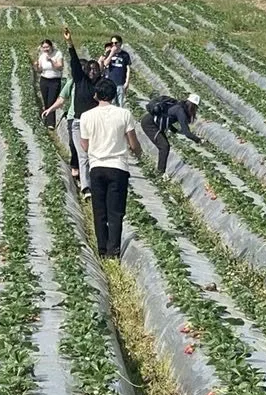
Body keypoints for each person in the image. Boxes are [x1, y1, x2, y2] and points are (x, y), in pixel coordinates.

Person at [79, 79, 141, 260]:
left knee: (99, 210)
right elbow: (133, 142)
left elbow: (84, 145)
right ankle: (113, 251)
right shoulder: (124, 114)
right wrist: (138, 153)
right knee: (115, 211)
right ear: (114, 95)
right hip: (118, 167)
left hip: (96, 167)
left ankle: (102, 249)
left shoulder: (86, 116)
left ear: (96, 95)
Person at [46, 25, 101, 197]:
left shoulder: (101, 85)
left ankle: (95, 181)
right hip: (78, 123)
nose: (92, 71)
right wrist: (69, 42)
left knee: (95, 154)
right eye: (90, 69)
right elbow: (75, 62)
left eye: (95, 69)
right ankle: (86, 187)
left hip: (95, 124)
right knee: (83, 154)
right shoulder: (80, 80)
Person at [141, 93, 202, 174]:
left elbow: (167, 117)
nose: (195, 110)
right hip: (149, 124)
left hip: (151, 122)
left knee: (165, 146)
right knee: (164, 147)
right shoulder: (180, 111)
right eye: (196, 108)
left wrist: (175, 130)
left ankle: (160, 171)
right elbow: (187, 133)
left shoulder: (179, 106)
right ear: (193, 106)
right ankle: (160, 173)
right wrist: (199, 140)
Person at [35, 38, 65, 127]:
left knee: (51, 101)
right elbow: (40, 70)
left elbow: (60, 67)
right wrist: (36, 66)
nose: (45, 49)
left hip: (54, 81)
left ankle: (51, 123)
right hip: (44, 80)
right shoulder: (42, 56)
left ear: (51, 46)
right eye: (44, 47)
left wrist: (51, 61)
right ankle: (46, 120)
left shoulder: (58, 54)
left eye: (47, 47)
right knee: (45, 101)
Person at [101, 35, 132, 107]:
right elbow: (105, 63)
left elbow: (128, 68)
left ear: (120, 43)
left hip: (120, 83)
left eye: (115, 42)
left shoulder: (125, 55)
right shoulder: (109, 53)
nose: (114, 44)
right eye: (112, 43)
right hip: (110, 83)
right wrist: (112, 53)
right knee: (112, 103)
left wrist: (127, 82)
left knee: (120, 104)